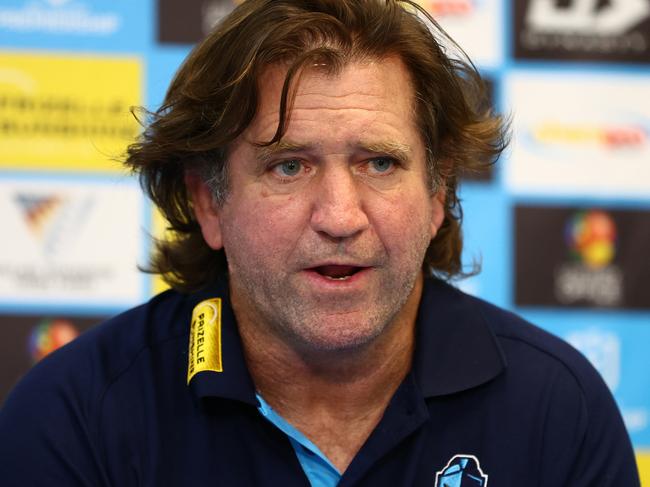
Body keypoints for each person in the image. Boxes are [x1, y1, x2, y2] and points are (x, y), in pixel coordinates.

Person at [0, 0, 640, 485]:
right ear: (208, 202)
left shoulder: (560, 407)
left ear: (438, 192)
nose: (339, 216)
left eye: (379, 164)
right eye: (289, 166)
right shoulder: (74, 416)